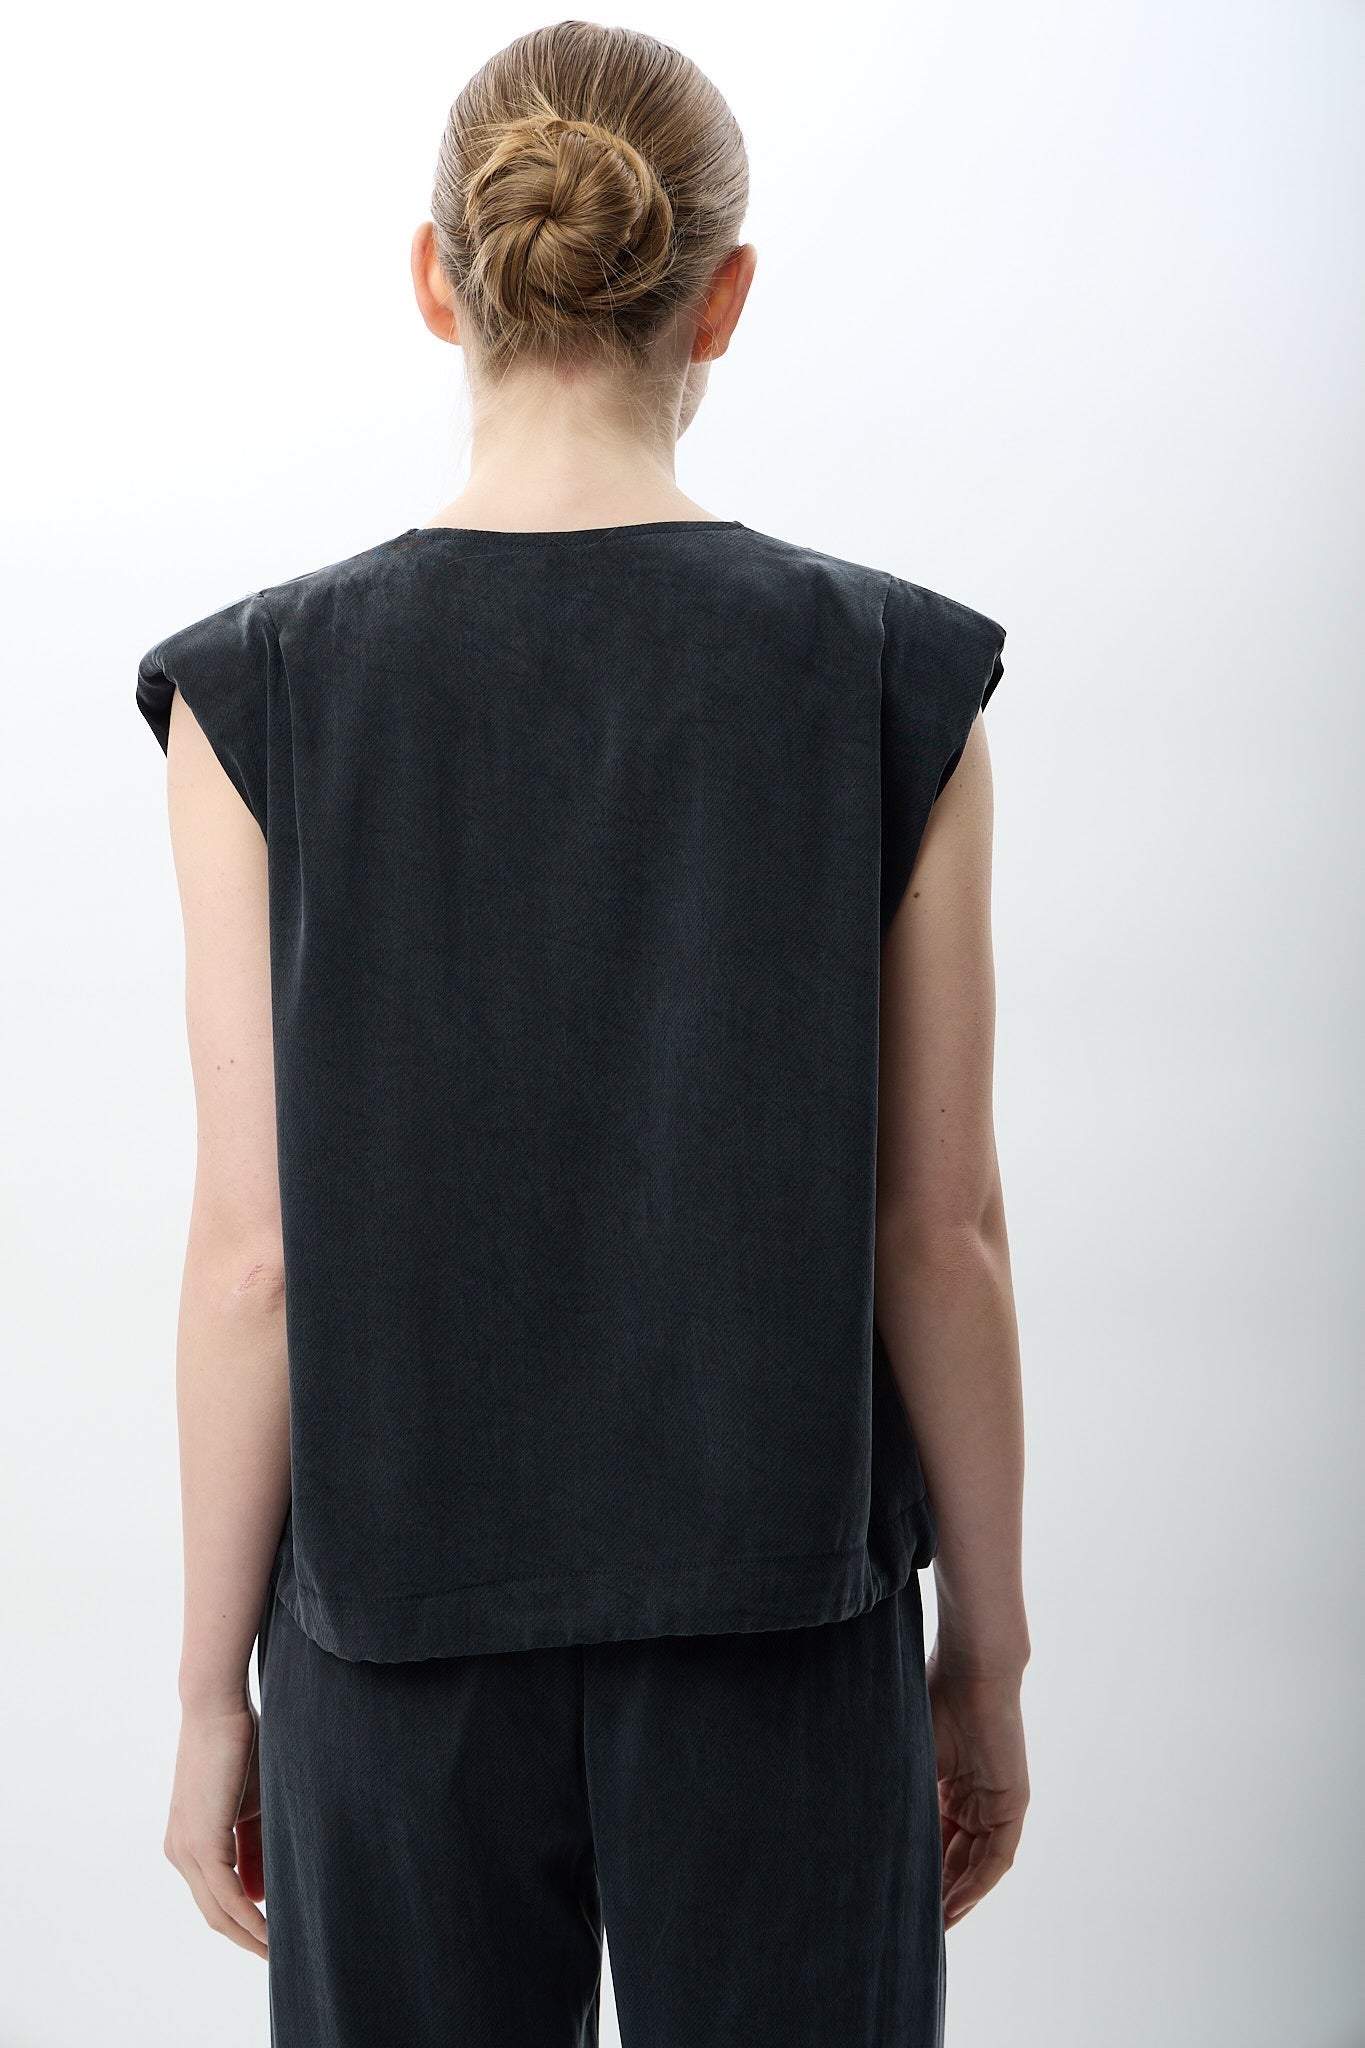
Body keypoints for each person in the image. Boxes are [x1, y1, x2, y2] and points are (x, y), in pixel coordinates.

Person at [136, 20, 1030, 2047]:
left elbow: (255, 1259)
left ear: (435, 277)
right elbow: (939, 1232)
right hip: (782, 1632)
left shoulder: (256, 695)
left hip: (388, 1643)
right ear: (722, 295)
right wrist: (985, 1652)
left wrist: (205, 1696)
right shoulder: (889, 676)